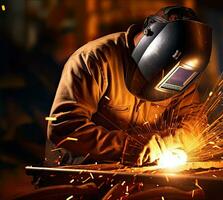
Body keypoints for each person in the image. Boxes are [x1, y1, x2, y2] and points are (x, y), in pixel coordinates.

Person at [45, 5, 212, 167]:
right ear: (151, 39)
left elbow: (195, 127)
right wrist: (126, 147)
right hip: (81, 176)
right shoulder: (94, 60)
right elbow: (65, 128)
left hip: (141, 176)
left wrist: (167, 144)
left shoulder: (180, 72)